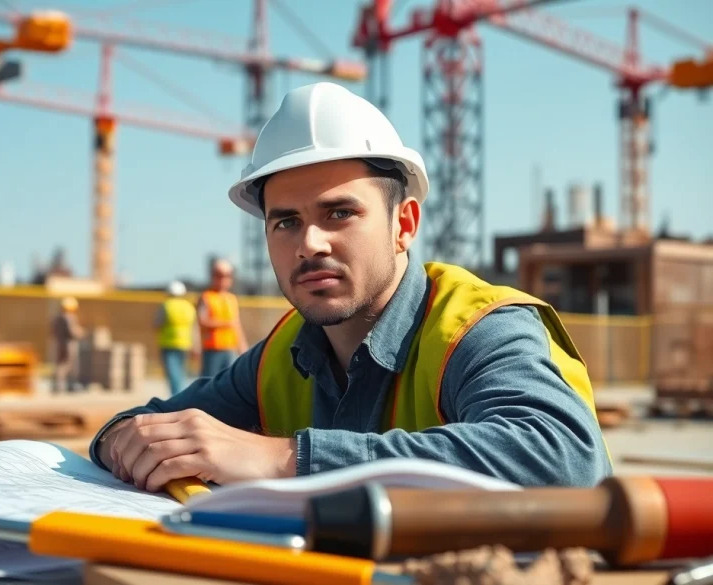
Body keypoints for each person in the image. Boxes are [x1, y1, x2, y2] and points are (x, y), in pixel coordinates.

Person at [89, 82, 612, 492]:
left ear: (404, 224)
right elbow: (143, 423)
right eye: (285, 221)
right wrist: (120, 438)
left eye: (339, 213)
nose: (309, 243)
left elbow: (563, 459)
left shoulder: (476, 331)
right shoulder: (282, 356)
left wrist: (283, 459)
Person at [196, 259, 248, 377]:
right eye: (219, 275)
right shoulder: (206, 297)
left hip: (230, 347)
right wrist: (225, 323)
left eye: (227, 276)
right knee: (209, 381)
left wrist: (243, 347)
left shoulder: (231, 299)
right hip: (212, 349)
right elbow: (202, 321)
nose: (223, 279)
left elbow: (237, 325)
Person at [153, 280, 196, 395]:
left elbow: (157, 324)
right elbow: (194, 327)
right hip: (185, 344)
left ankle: (176, 398)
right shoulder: (189, 307)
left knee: (173, 374)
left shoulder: (166, 306)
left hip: (169, 344)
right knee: (182, 373)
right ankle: (182, 396)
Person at [51, 296, 84, 393]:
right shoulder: (70, 318)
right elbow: (73, 332)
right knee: (68, 365)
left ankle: (59, 386)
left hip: (59, 344)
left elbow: (53, 332)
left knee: (61, 365)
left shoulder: (56, 318)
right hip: (69, 344)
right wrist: (82, 333)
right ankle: (67, 387)